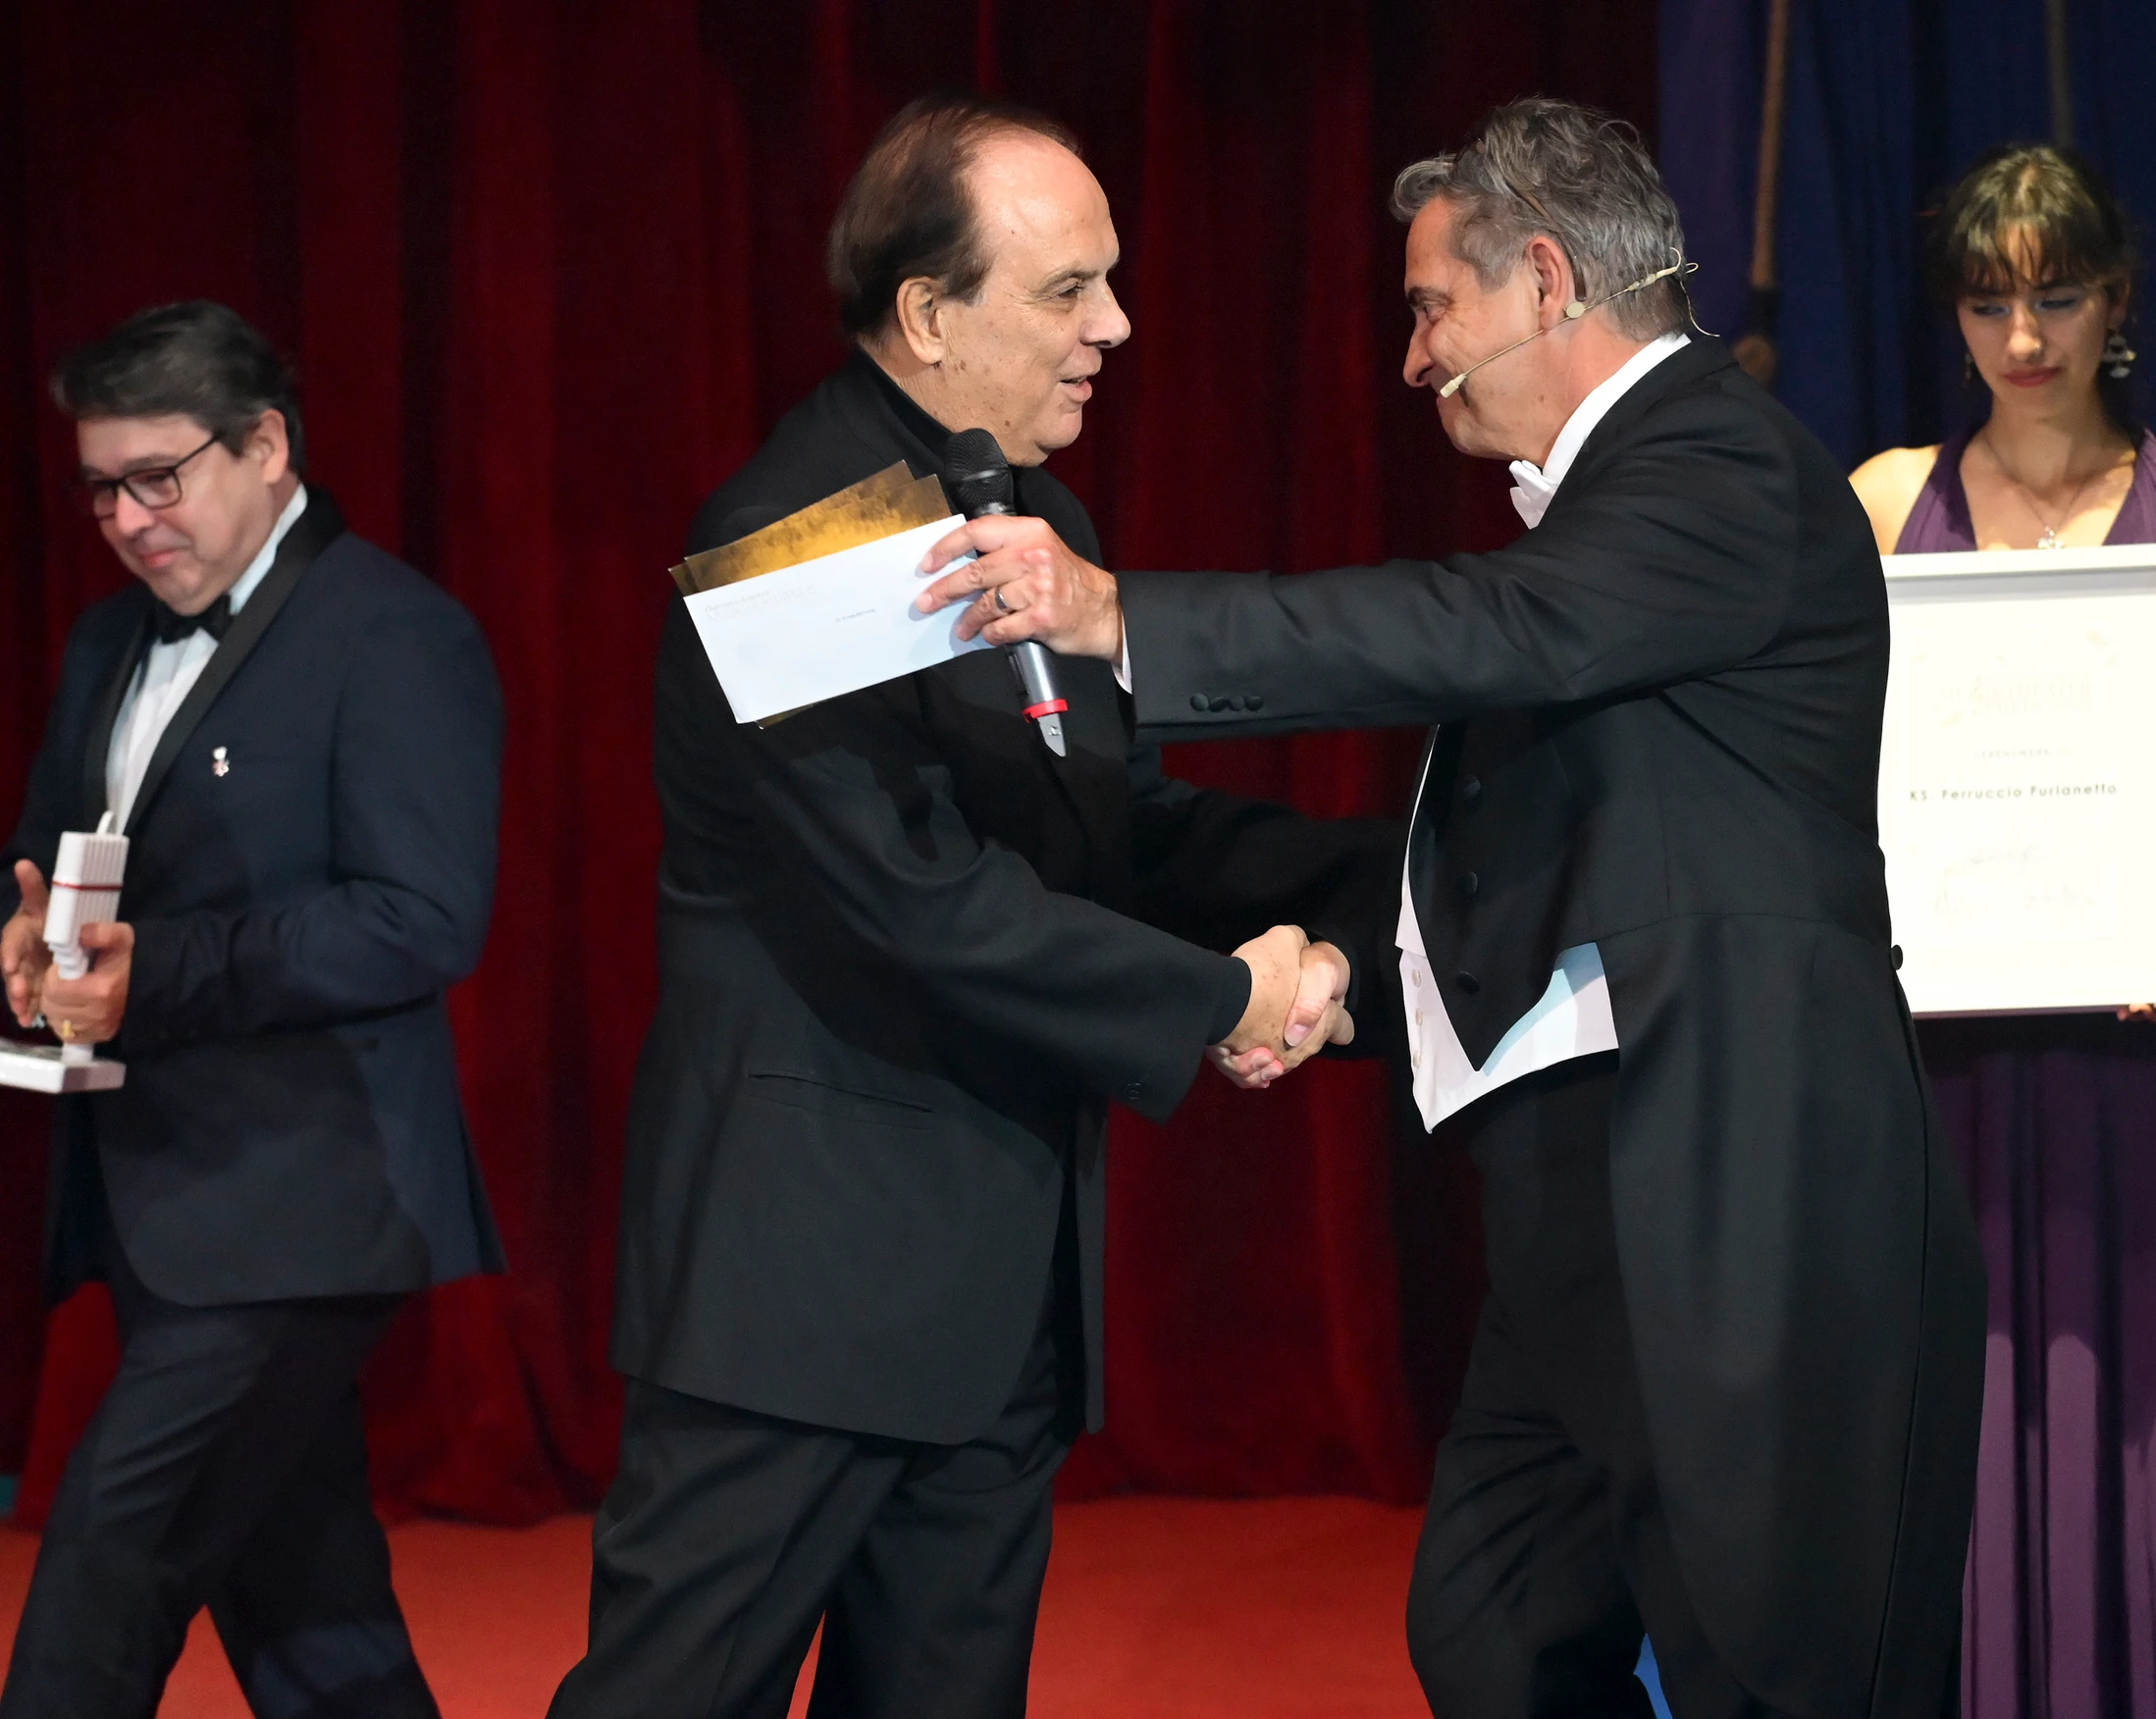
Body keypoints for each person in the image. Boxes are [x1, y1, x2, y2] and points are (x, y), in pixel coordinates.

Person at [920, 97, 1988, 1719]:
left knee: (1782, 1670)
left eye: (1432, 308)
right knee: (1494, 1632)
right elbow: (1535, 843)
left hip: (1748, 1189)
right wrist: (1329, 967)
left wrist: (1119, 617)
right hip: (1584, 1189)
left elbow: (1486, 631)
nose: (1414, 359)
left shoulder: (1721, 463)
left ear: (1546, 280)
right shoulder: (1614, 532)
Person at [547, 96, 1391, 1719]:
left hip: (1002, 1293)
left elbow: (1116, 827)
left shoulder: (1031, 515)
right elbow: (918, 901)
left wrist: (1391, 889)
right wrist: (1227, 999)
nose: (1116, 327)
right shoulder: (793, 544)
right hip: (802, 1298)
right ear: (930, 315)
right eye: (1069, 290)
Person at [1844, 144, 2156, 1719]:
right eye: (1988, 304)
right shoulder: (1879, 506)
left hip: (2152, 1041)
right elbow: (1825, 763)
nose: (2022, 337)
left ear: (2116, 300)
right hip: (1946, 1064)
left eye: (2055, 298)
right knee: (1964, 1432)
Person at [0, 301, 504, 1718]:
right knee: (310, 1612)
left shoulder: (395, 636)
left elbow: (420, 919)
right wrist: (24, 935)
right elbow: (46, 850)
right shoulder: (105, 642)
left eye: (158, 476)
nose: (126, 518)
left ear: (267, 446)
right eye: (101, 486)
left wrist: (153, 971)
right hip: (160, 1192)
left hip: (309, 1199)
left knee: (104, 1575)